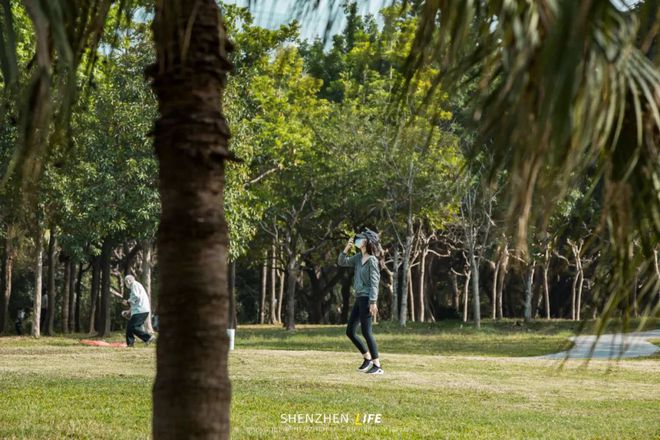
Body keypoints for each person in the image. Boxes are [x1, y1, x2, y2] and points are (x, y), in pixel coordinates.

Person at [338, 228, 384, 375]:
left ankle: (377, 365)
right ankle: (367, 358)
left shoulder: (372, 260)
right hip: (359, 298)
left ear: (367, 242)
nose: (358, 240)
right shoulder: (358, 258)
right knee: (350, 331)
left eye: (360, 238)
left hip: (367, 299)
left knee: (366, 332)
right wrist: (347, 247)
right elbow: (342, 262)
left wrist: (373, 301)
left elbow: (375, 282)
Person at [122, 275, 156, 347]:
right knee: (130, 327)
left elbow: (136, 296)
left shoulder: (134, 285)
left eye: (125, 282)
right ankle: (130, 344)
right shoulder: (136, 286)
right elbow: (135, 301)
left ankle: (148, 337)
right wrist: (128, 311)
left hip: (141, 310)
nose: (125, 284)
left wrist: (127, 302)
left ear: (128, 281)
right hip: (140, 310)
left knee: (132, 327)